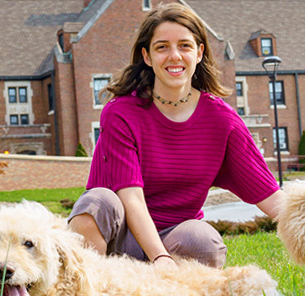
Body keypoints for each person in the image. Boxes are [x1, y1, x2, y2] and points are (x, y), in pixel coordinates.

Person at [68, 3, 284, 268]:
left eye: (184, 45)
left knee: (204, 241)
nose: (174, 56)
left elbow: (271, 197)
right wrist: (159, 257)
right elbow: (131, 198)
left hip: (175, 237)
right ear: (147, 56)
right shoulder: (121, 112)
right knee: (96, 203)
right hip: (118, 240)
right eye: (162, 47)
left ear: (199, 52)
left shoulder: (221, 119)